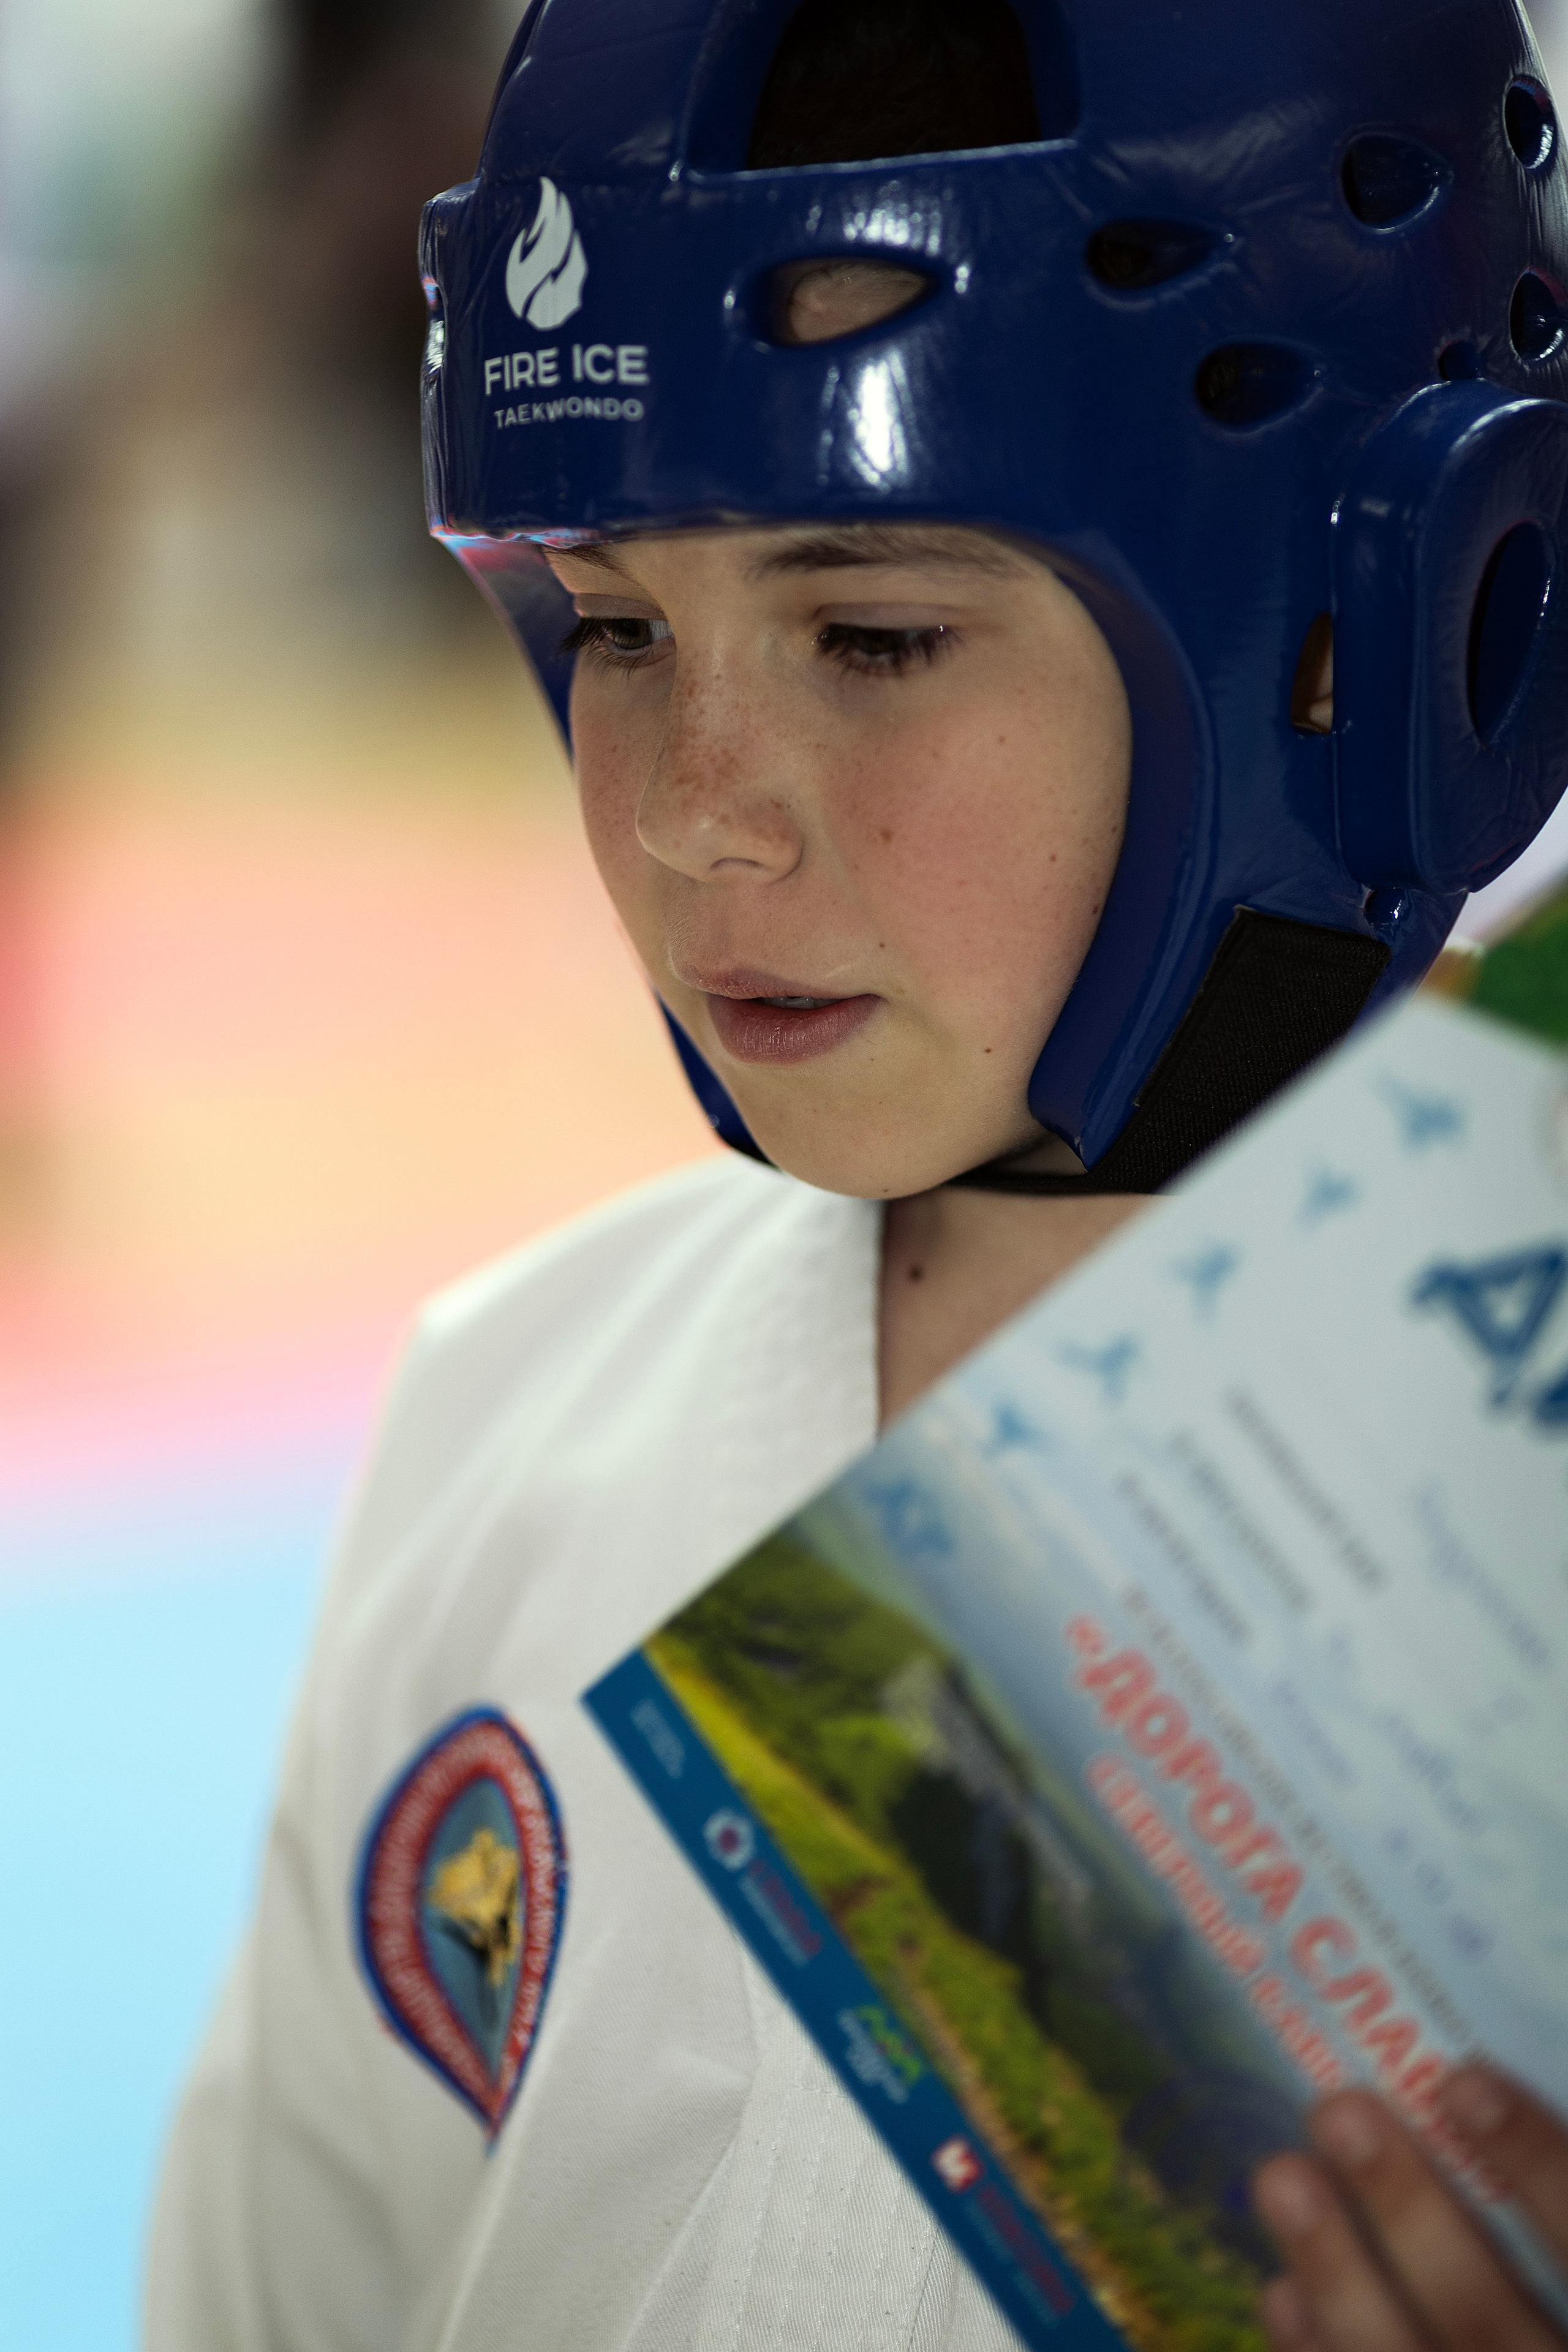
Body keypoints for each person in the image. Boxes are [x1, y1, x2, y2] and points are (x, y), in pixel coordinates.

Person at [147, 1, 1568, 2346]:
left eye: (880, 631)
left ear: (1405, 618)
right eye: (613, 628)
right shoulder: (506, 1424)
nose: (700, 803)